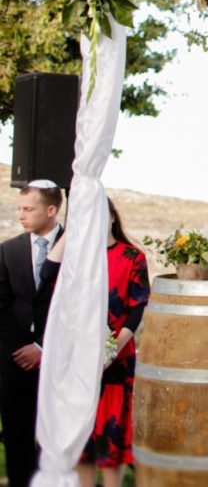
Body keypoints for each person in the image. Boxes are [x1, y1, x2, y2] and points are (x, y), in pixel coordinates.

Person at [41, 198, 150, 487]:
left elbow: (137, 306)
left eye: (101, 214)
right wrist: (71, 233)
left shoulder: (132, 257)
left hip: (116, 358)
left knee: (110, 441)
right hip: (77, 360)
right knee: (82, 444)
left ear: (113, 217)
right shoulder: (77, 257)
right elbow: (46, 274)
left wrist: (110, 350)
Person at [0, 180, 64, 487]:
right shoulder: (8, 251)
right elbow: (2, 306)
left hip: (61, 361)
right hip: (16, 362)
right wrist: (24, 348)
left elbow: (78, 306)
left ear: (50, 210)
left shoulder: (79, 247)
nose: (21, 216)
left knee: (57, 439)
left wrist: (43, 347)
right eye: (19, 209)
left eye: (29, 209)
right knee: (17, 438)